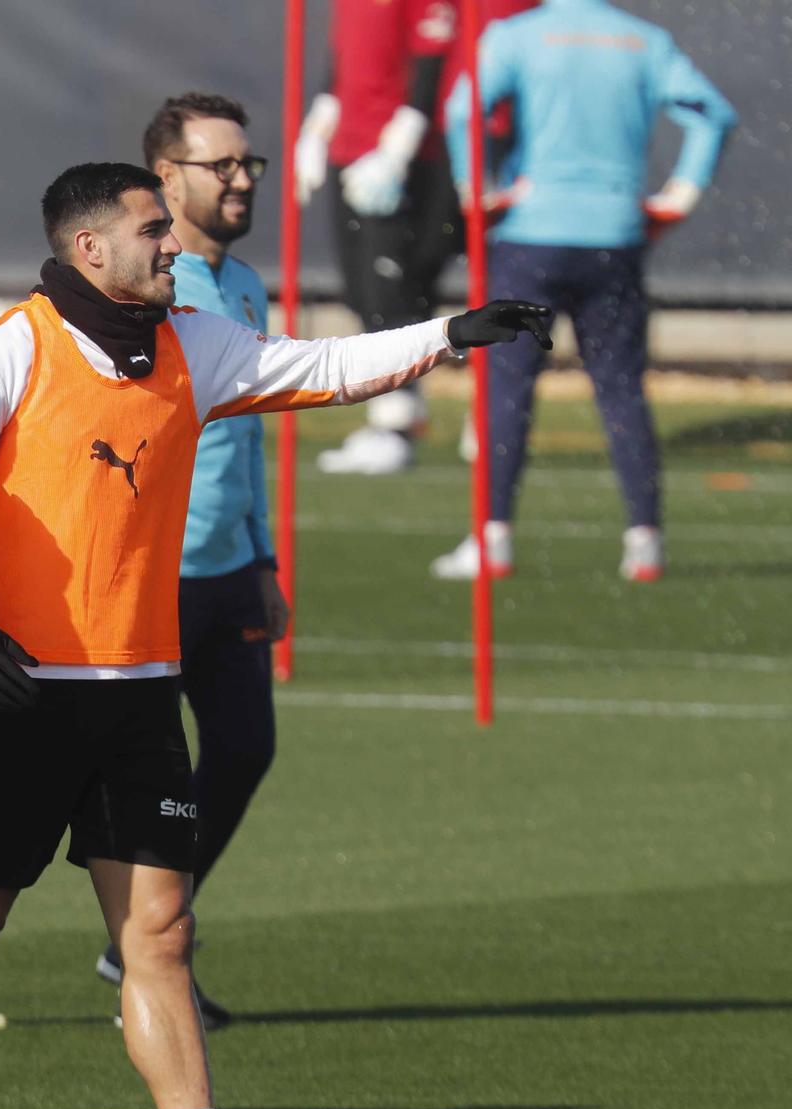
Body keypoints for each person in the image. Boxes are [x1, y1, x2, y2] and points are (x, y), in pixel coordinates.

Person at [0, 160, 550, 1109]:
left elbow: (327, 366)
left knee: (162, 933)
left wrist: (446, 332)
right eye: (152, 229)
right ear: (88, 248)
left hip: (141, 694)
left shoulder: (194, 340)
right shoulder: (7, 350)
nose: (174, 245)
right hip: (20, 697)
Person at [89, 94, 288, 1030]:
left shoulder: (241, 285)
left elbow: (247, 443)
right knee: (140, 775)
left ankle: (140, 930)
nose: (243, 180)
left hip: (226, 569)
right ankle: (146, 941)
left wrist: (263, 557)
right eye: (224, 166)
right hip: (153, 574)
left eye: (250, 164)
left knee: (246, 747)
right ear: (165, 176)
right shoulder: (144, 287)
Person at [432, 0, 736, 582]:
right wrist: (681, 195)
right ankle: (644, 540)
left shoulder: (518, 35)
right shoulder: (644, 39)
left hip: (530, 237)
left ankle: (492, 537)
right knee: (621, 388)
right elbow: (713, 114)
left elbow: (459, 109)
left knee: (507, 386)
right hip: (614, 236)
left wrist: (477, 190)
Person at [295, 0, 474, 474]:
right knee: (360, 290)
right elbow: (344, 58)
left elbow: (433, 56)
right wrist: (318, 124)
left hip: (399, 157)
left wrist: (398, 149)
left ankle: (395, 424)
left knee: (390, 292)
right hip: (349, 146)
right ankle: (394, 417)